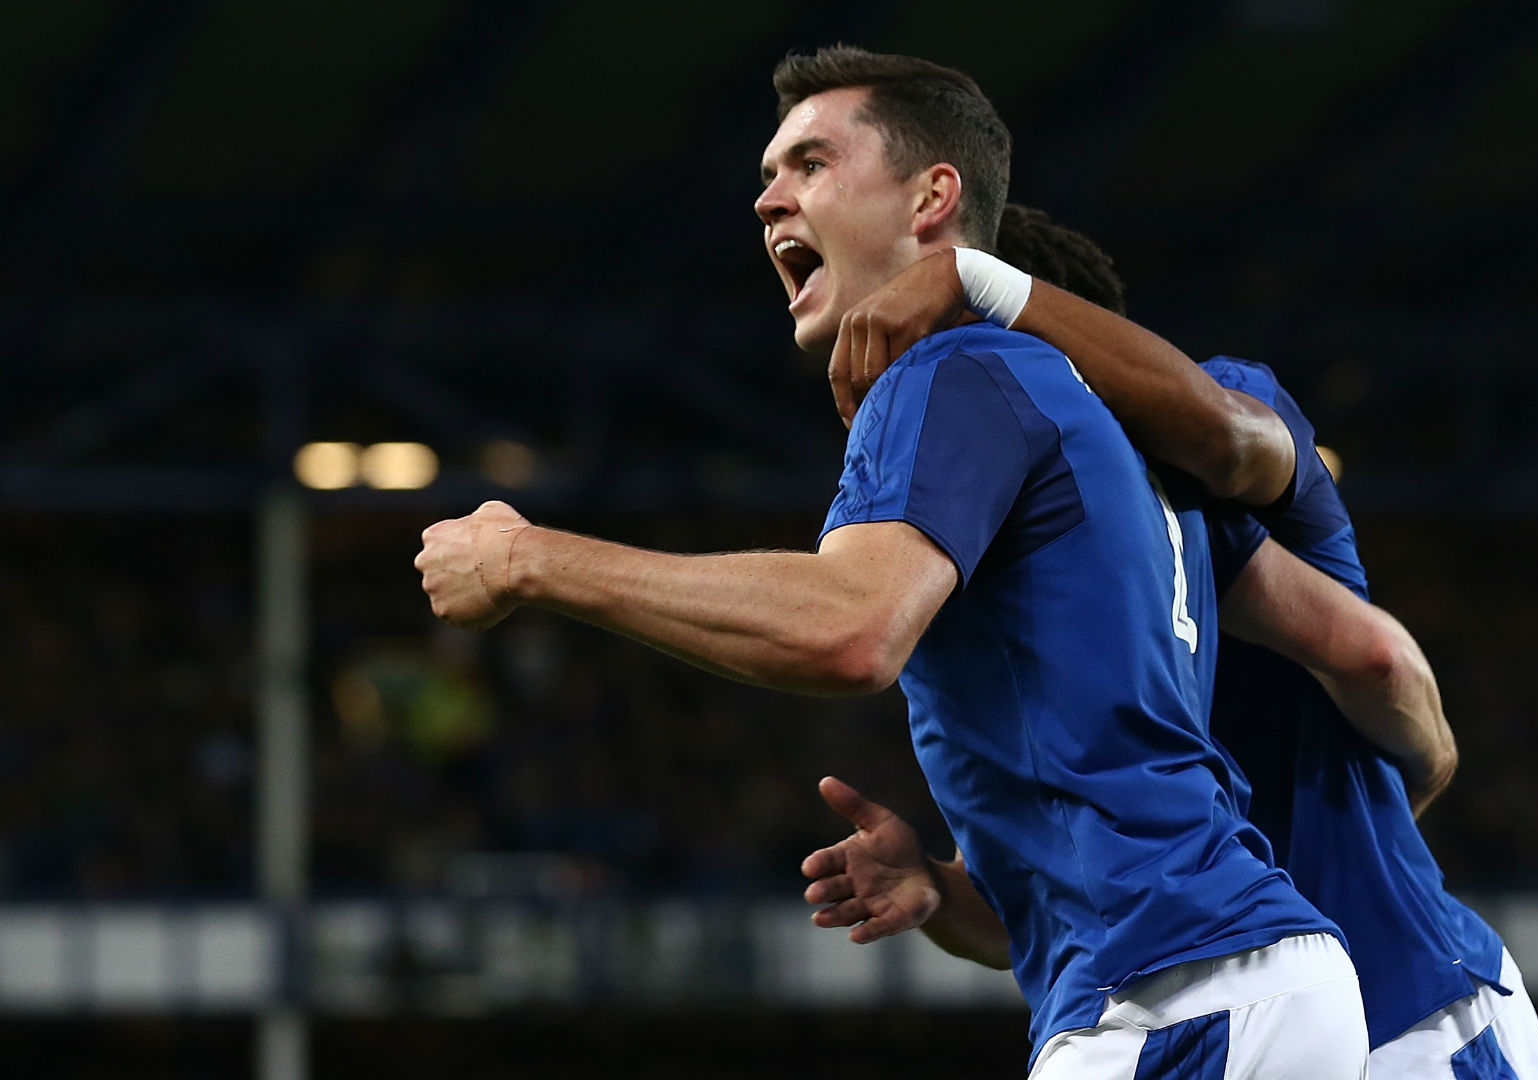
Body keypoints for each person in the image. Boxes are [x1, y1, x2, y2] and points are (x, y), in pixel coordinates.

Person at [416, 46, 1368, 1078]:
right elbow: (1111, 825)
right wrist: (943, 893)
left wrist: (529, 558)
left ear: (932, 200)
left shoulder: (956, 369)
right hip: (1212, 979)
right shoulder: (1077, 421)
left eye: (812, 164)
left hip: (1180, 996)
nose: (768, 197)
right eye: (770, 172)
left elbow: (851, 630)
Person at [802, 208, 1538, 1078]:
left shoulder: (1207, 458)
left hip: (1401, 1009)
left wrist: (1404, 792)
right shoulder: (1037, 577)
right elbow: (1028, 915)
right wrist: (935, 890)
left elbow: (1378, 657)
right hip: (1326, 1002)